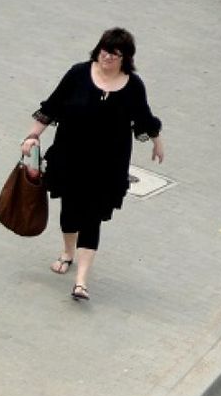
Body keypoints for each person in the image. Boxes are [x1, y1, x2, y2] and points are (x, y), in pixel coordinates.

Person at [20, 28, 164, 302]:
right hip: (70, 157)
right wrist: (32, 136)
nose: (108, 57)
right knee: (70, 212)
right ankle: (68, 252)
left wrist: (157, 141)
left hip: (108, 165)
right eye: (104, 51)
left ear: (125, 58)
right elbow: (51, 107)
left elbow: (144, 116)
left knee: (92, 218)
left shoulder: (133, 85)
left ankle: (81, 281)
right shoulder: (78, 74)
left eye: (115, 54)